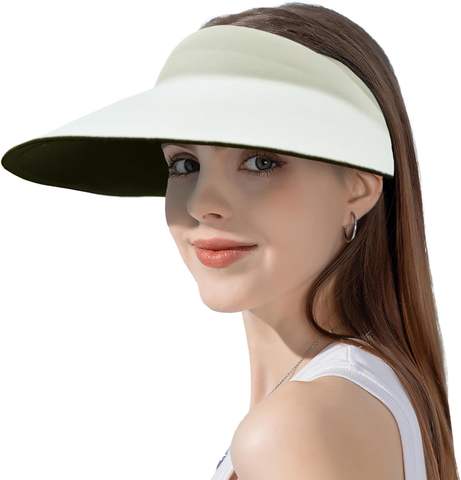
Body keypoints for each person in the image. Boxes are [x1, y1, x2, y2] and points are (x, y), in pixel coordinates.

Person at [1, 3, 458, 480]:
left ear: (358, 188)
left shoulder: (295, 429)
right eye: (184, 164)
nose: (203, 204)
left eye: (261, 161)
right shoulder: (372, 393)